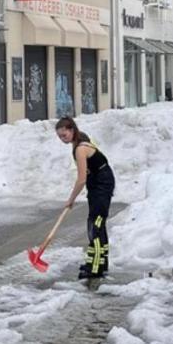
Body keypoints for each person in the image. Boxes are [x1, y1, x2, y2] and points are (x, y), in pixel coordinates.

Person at [56, 118, 116, 280]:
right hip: (98, 183)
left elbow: (81, 179)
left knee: (95, 225)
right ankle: (99, 264)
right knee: (97, 223)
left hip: (101, 184)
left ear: (72, 130)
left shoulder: (80, 149)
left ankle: (95, 269)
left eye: (64, 134)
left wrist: (71, 199)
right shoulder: (80, 142)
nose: (63, 138)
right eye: (60, 136)